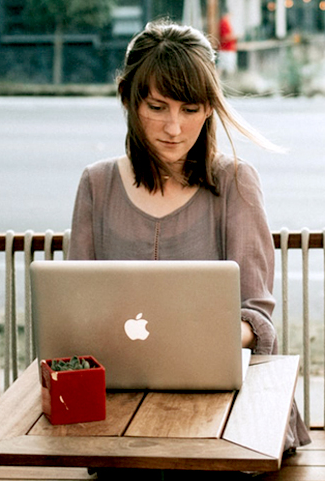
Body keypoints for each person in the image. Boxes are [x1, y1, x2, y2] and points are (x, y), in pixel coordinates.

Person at [68, 20, 311, 470]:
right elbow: (73, 312)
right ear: (128, 99)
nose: (174, 128)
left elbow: (258, 320)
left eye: (191, 108)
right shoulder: (96, 184)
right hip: (119, 415)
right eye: (157, 107)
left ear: (209, 109)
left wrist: (188, 341)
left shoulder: (235, 181)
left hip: (226, 418)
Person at [218, 10, 238, 77]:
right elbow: (224, 37)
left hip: (228, 49)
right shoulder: (224, 23)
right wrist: (234, 36)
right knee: (227, 67)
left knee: (223, 66)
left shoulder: (226, 23)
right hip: (226, 49)